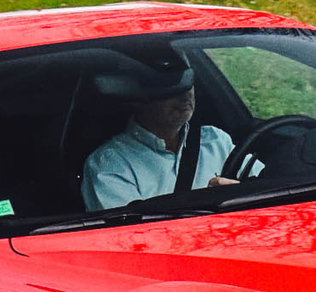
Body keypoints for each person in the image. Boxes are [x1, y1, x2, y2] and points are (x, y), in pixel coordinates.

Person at [80, 62, 235, 211]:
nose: (185, 95)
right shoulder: (109, 164)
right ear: (136, 99)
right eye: (170, 88)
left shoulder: (217, 140)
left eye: (188, 83)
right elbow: (132, 234)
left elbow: (258, 186)